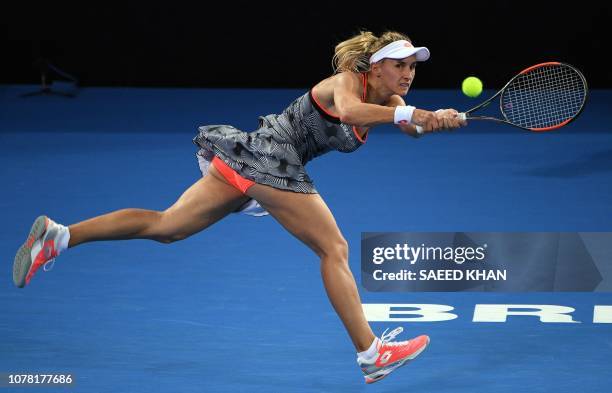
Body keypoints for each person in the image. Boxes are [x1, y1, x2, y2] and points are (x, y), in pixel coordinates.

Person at [12, 30, 465, 383]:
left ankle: (60, 235)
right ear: (376, 66)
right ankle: (372, 354)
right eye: (399, 65)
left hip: (253, 157)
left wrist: (436, 120)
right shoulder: (347, 82)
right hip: (271, 157)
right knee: (334, 249)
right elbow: (347, 112)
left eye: (412, 67)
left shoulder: (392, 101)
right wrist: (410, 115)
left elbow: (409, 128)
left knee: (170, 226)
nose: (407, 74)